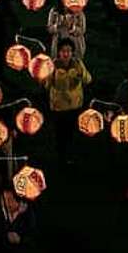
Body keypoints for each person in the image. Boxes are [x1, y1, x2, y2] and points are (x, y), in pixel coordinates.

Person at [44, 38, 92, 167]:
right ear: (59, 52)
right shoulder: (52, 65)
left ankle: (69, 155)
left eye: (69, 51)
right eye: (63, 51)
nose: (66, 54)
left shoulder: (77, 64)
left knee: (71, 132)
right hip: (59, 107)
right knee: (60, 133)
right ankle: (61, 156)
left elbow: (88, 79)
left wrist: (81, 73)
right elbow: (47, 84)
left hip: (74, 105)